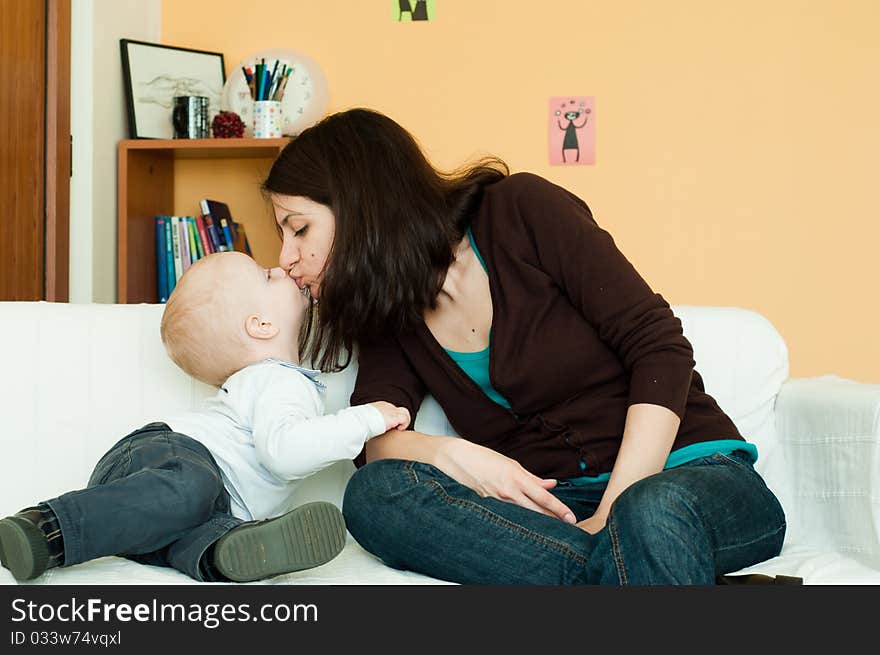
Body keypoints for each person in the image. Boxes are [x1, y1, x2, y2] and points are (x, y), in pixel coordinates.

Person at [260, 108, 790, 585]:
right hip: (557, 507)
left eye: (298, 228)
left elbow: (659, 348)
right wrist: (460, 456)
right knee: (377, 496)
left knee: (647, 513)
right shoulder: (386, 311)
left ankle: (632, 556)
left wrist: (610, 514)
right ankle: (652, 572)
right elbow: (374, 442)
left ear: (363, 206)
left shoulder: (520, 211)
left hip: (688, 476)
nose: (286, 256)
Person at [0, 251, 410, 582]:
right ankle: (44, 529)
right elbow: (285, 452)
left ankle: (226, 555)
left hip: (181, 511)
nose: (280, 268)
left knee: (203, 531)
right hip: (164, 457)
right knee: (192, 489)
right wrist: (366, 419)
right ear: (262, 325)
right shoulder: (275, 378)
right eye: (267, 276)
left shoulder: (279, 380)